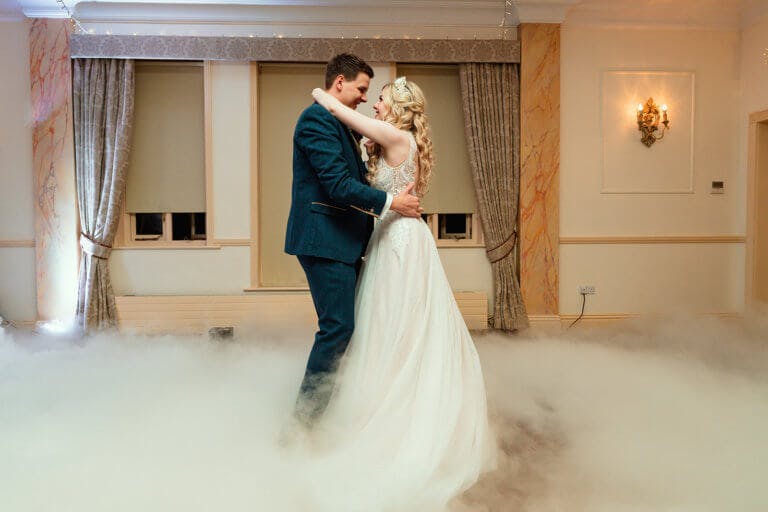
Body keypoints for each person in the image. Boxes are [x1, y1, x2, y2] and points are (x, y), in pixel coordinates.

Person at [308, 77, 495, 511]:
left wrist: (323, 92)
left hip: (400, 241)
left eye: (379, 99)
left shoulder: (396, 136)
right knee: (393, 325)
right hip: (398, 236)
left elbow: (336, 110)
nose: (373, 105)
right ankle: (390, 395)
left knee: (394, 327)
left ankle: (394, 410)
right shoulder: (401, 140)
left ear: (396, 107)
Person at [284, 54, 422, 427]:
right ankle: (303, 425)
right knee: (338, 328)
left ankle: (342, 410)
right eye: (361, 89)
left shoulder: (341, 124)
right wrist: (393, 202)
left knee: (353, 327)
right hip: (325, 241)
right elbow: (338, 186)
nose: (365, 97)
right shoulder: (316, 119)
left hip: (344, 243)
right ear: (340, 82)